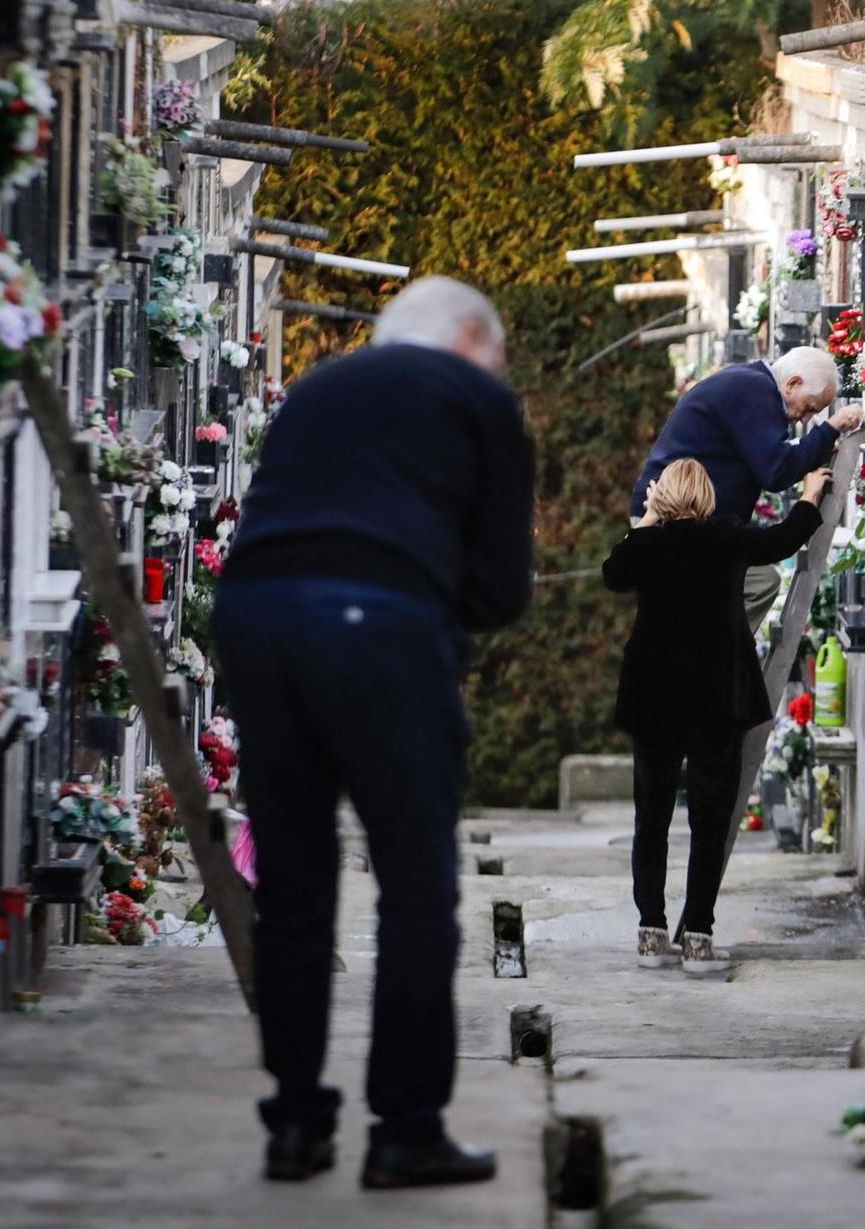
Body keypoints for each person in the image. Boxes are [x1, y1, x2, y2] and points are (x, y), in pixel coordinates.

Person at [215, 277, 533, 1191]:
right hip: (381, 621)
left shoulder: (319, 387)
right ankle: (405, 1129)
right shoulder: (478, 397)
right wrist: (438, 607)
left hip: (254, 615)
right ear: (470, 338)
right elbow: (502, 585)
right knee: (415, 888)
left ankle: (295, 1125)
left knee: (296, 883)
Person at [603, 458, 830, 971]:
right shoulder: (725, 537)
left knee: (652, 816)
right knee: (709, 818)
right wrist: (811, 493)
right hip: (716, 695)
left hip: (656, 697)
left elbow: (612, 574)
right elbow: (782, 541)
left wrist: (643, 524)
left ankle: (650, 931)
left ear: (660, 498)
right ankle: (699, 936)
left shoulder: (646, 546)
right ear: (706, 495)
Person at [629, 347, 860, 631]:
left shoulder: (752, 385)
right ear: (792, 384)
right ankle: (719, 663)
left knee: (757, 583)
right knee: (755, 585)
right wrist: (830, 429)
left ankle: (721, 660)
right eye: (810, 407)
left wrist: (814, 450)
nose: (805, 419)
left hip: (683, 522)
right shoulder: (755, 391)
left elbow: (767, 458)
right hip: (669, 519)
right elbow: (775, 471)